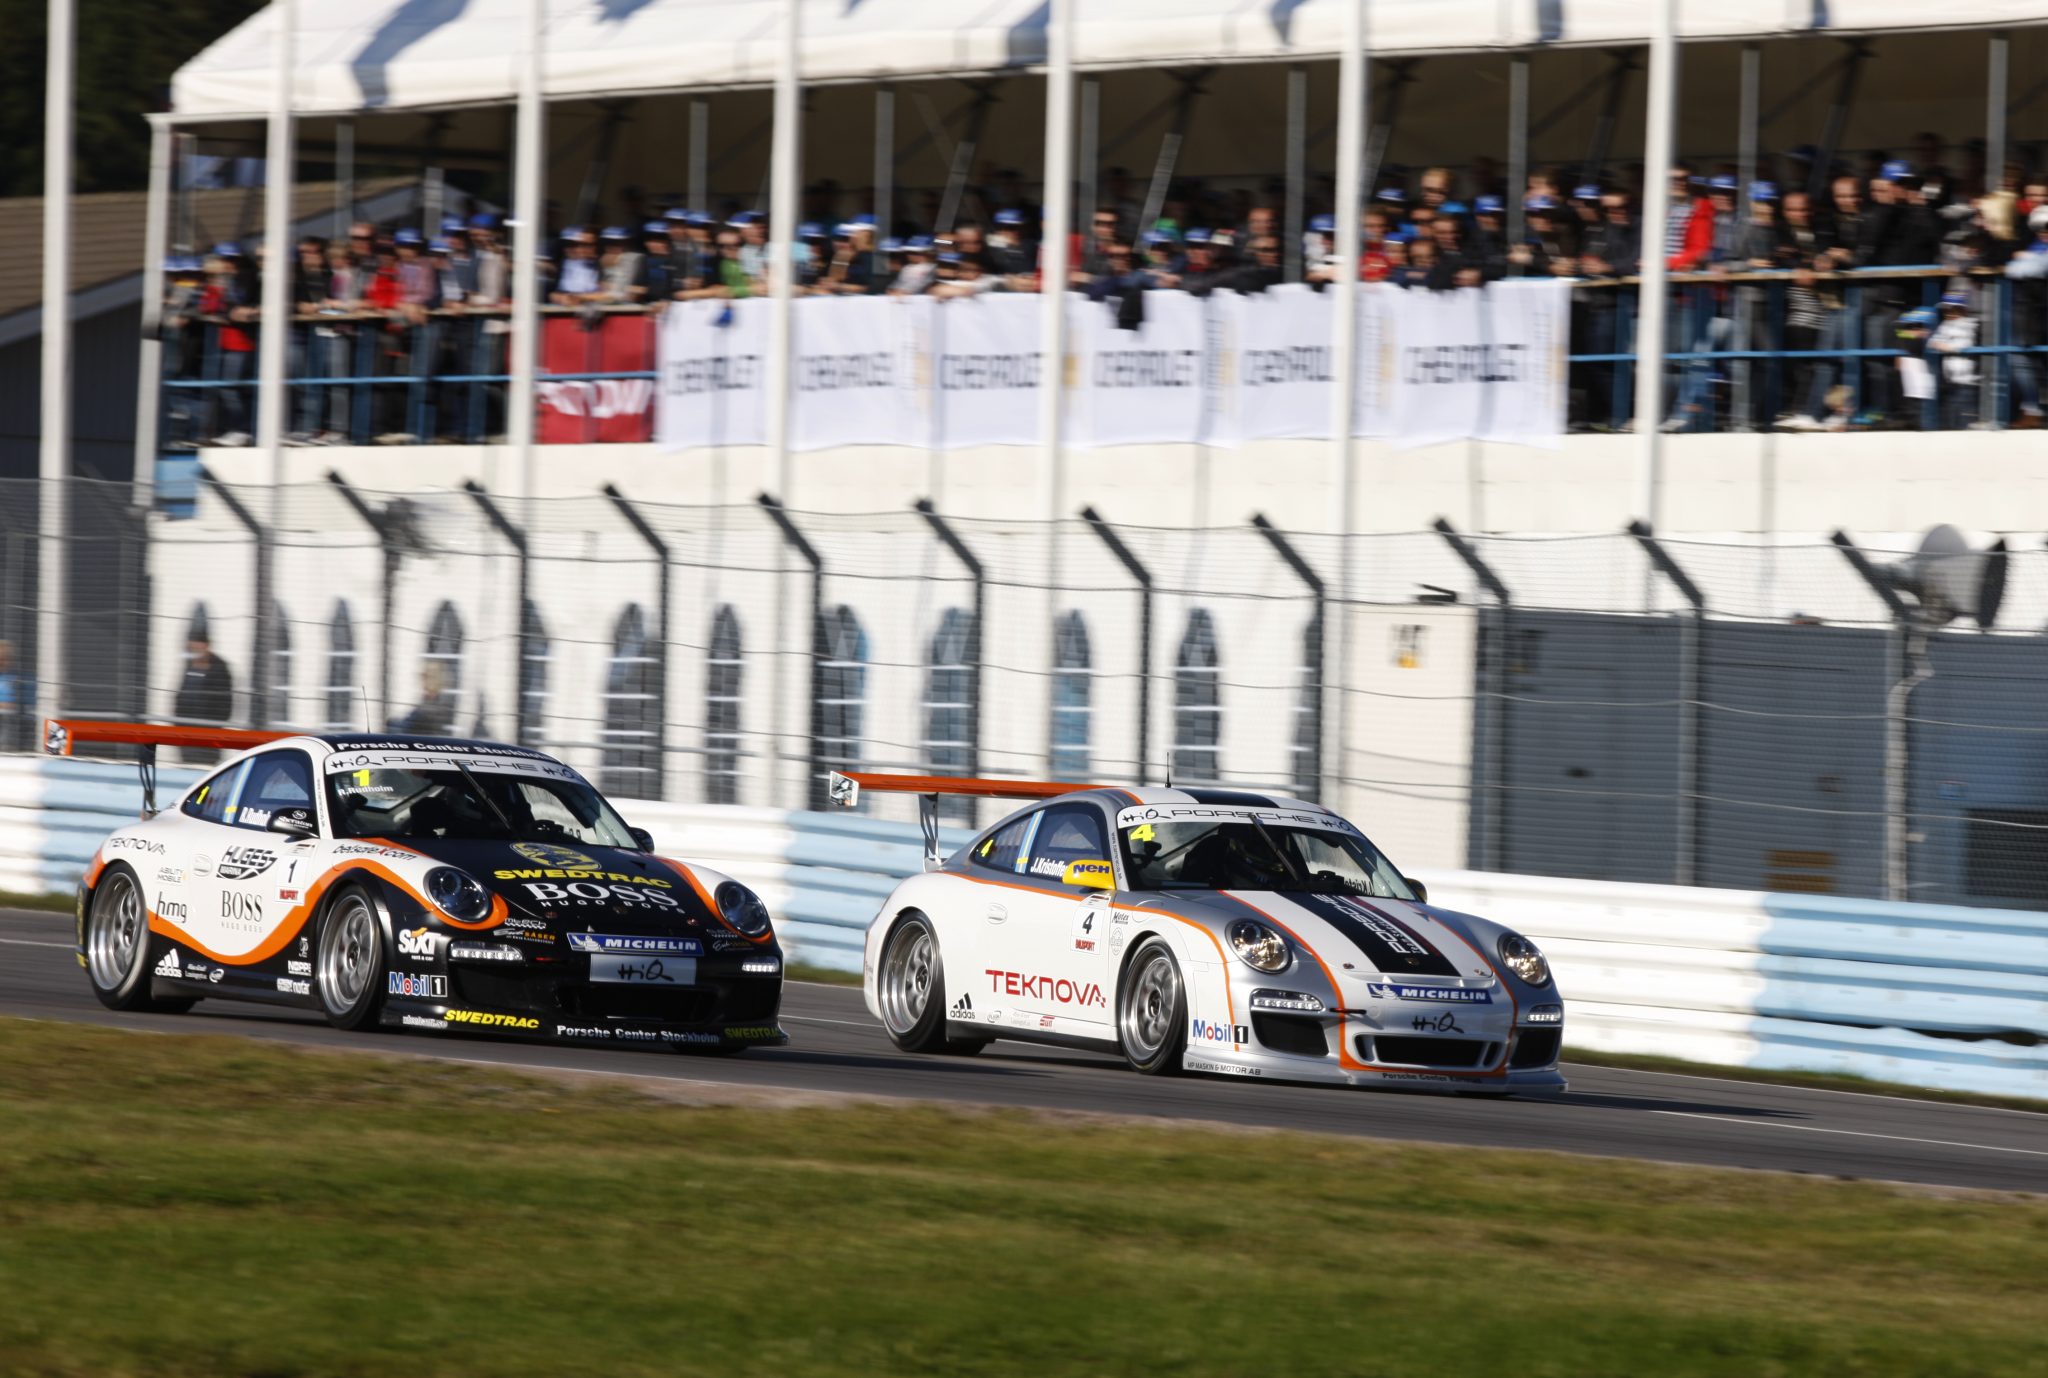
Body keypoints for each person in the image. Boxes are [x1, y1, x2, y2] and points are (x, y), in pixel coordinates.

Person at [173, 632, 235, 763]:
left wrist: (215, 727)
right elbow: (181, 694)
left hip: (209, 733)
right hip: (187, 732)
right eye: (192, 647)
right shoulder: (189, 665)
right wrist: (177, 724)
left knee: (206, 766)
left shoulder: (219, 667)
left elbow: (225, 702)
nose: (195, 650)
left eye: (198, 646)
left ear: (206, 645)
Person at [391, 662, 454, 738]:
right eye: (424, 677)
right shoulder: (426, 699)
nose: (423, 680)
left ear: (437, 680)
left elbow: (418, 721)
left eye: (428, 677)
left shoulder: (438, 704)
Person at [0, 639, 25, 752]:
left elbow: (12, 704)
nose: (2, 662)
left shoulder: (14, 679)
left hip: (8, 724)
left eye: (4, 659)